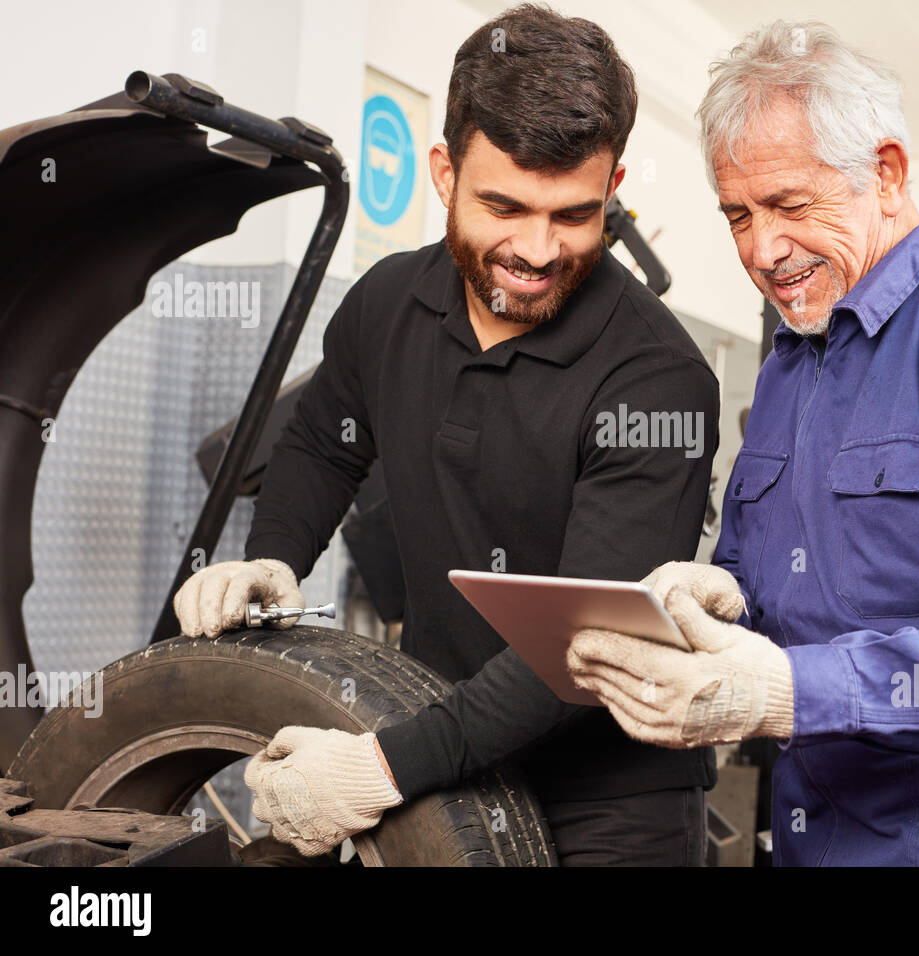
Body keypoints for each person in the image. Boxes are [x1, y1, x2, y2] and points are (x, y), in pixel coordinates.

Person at [567, 19, 919, 866]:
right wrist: (722, 596)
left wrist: (784, 689)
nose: (763, 249)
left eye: (790, 205)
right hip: (826, 829)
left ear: (887, 172)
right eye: (737, 215)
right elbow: (784, 588)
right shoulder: (794, 360)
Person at [173, 3, 720, 866]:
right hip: (438, 750)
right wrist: (275, 556)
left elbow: (583, 645)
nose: (537, 250)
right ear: (443, 170)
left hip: (607, 806)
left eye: (572, 215)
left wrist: (377, 769)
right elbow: (323, 442)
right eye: (504, 205)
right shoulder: (386, 303)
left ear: (613, 189)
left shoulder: (658, 378)